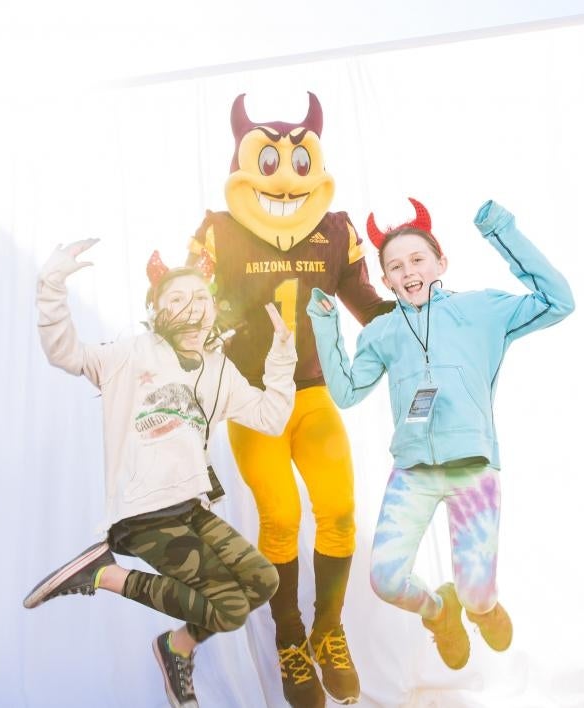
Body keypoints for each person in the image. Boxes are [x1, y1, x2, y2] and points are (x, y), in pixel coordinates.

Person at [23, 239, 296, 708]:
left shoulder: (219, 370)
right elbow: (65, 353)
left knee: (262, 581)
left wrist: (281, 357)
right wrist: (52, 284)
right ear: (155, 310)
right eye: (175, 299)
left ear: (214, 309)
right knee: (228, 608)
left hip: (192, 507)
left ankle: (176, 649)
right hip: (143, 512)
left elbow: (270, 417)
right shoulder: (128, 354)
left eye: (201, 298)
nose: (191, 309)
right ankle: (105, 574)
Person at [307, 199, 574, 670]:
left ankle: (480, 608)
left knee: (477, 592)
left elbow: (559, 301)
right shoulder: (383, 331)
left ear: (440, 263)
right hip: (413, 473)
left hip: (473, 470)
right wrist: (326, 324)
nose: (407, 272)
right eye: (394, 266)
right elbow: (346, 393)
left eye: (417, 260)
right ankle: (439, 612)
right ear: (385, 280)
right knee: (386, 580)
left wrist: (500, 229)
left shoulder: (482, 310)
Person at [188, 93, 391, 707]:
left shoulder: (335, 229)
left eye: (297, 160)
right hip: (252, 402)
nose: (282, 176)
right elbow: (185, 306)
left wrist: (424, 315)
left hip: (315, 395)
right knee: (280, 518)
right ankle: (290, 638)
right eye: (267, 161)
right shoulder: (218, 231)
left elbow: (366, 302)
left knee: (340, 512)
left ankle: (329, 628)